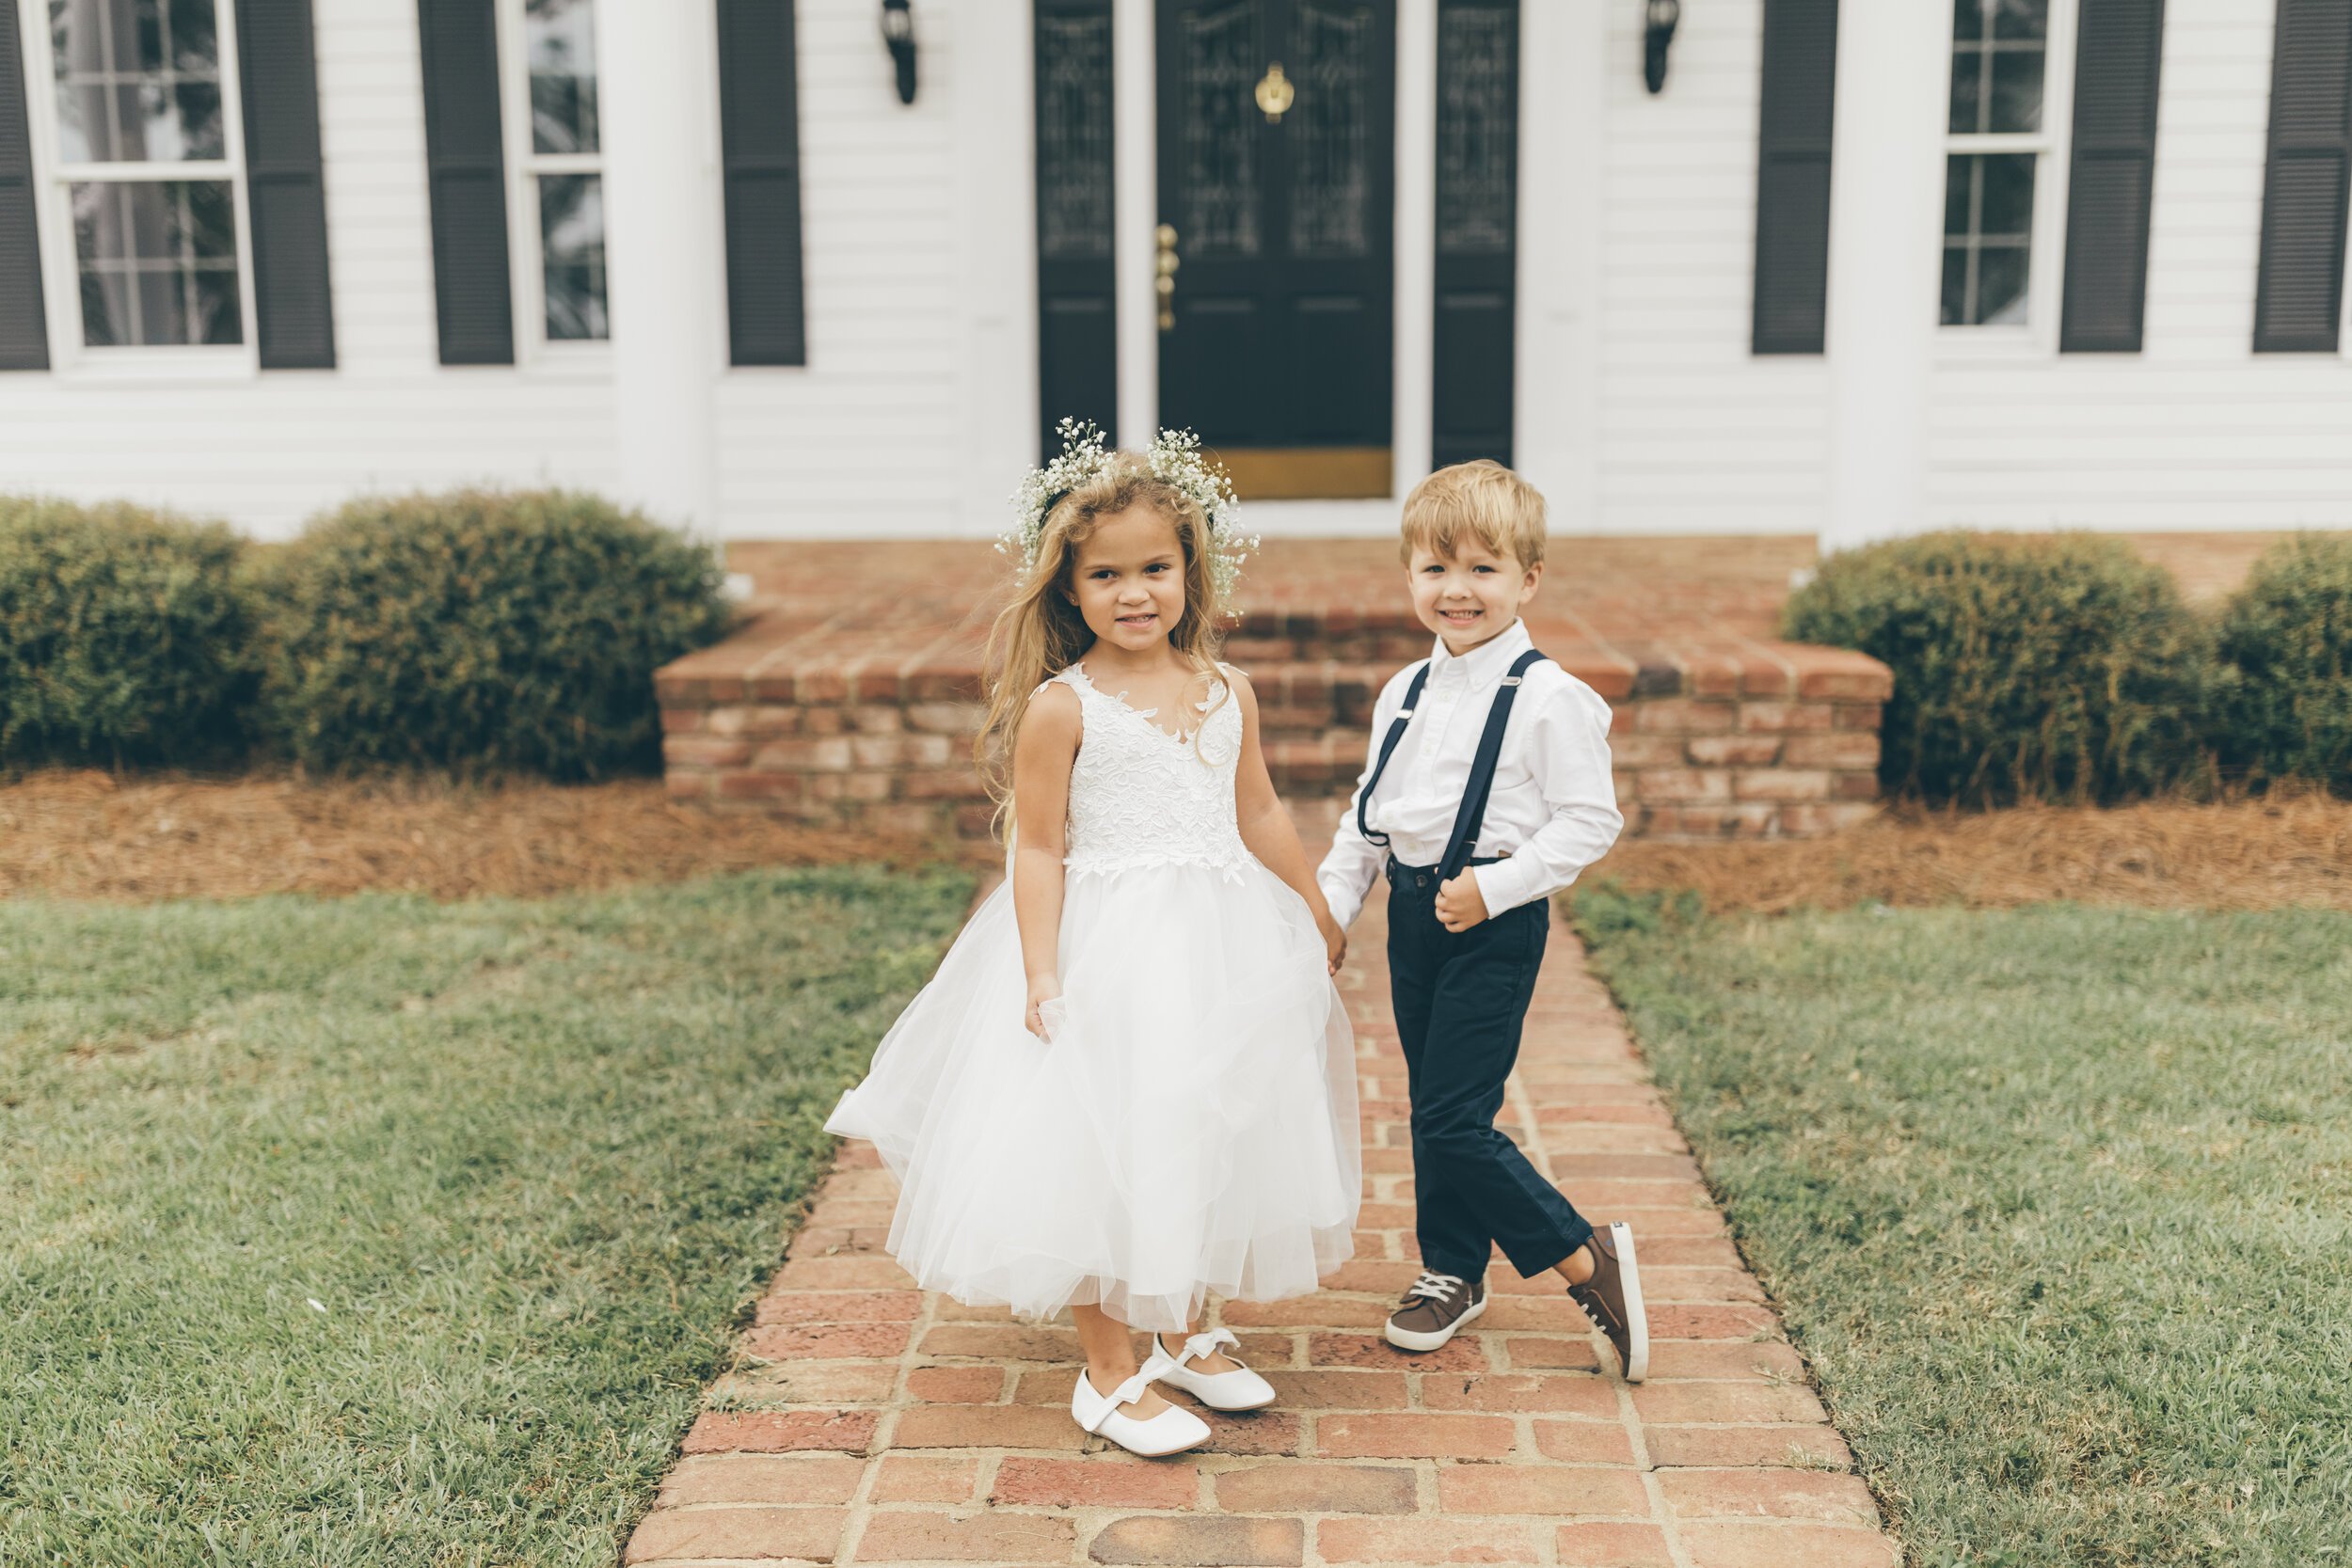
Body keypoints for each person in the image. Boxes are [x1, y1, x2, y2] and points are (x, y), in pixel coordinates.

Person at [826, 423, 1359, 1457]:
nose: (1133, 592)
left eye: (1153, 568)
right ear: (1069, 589)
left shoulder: (1225, 689)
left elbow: (1257, 811)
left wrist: (1312, 900)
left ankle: (1182, 1323)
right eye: (1105, 574)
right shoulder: (1062, 709)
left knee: (1202, 1126)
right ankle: (1106, 1365)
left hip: (1218, 942)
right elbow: (1037, 848)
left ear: (1188, 570)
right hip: (1108, 946)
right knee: (1099, 1137)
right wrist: (1040, 968)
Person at [1315, 459, 1650, 1382]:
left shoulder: (1550, 698)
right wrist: (1332, 908)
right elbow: (1368, 814)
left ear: (1527, 578)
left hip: (1492, 922)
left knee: (1457, 1118)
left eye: (1481, 569)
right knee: (1433, 1107)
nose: (1455, 590)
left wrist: (1497, 887)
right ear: (1409, 576)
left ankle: (1588, 1257)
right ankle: (1453, 1269)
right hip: (1413, 919)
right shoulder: (1404, 692)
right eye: (1434, 568)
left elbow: (1589, 822)